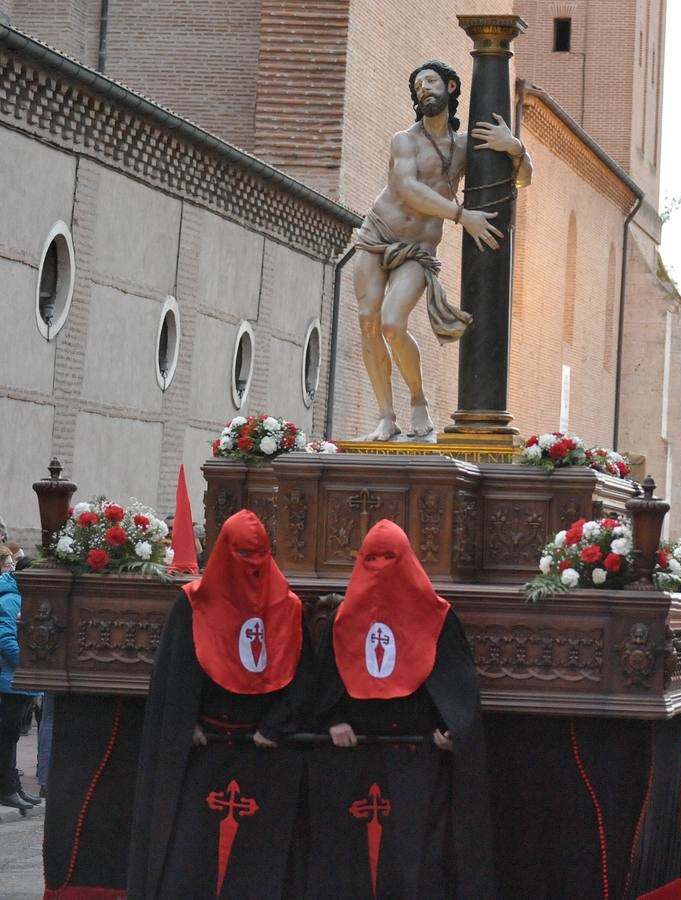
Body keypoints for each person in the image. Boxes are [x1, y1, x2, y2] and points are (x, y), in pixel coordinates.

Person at [127, 510, 315, 899]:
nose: (253, 564)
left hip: (264, 753)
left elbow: (305, 677)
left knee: (258, 866)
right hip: (204, 752)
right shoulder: (194, 604)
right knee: (192, 861)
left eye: (259, 553)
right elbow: (175, 674)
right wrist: (186, 722)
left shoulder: (288, 607)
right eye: (242, 554)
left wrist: (275, 725)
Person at [306, 519, 494, 898]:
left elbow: (456, 681)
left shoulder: (437, 615)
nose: (380, 567)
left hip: (417, 754)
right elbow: (325, 679)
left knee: (416, 858)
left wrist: (452, 728)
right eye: (371, 558)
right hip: (357, 754)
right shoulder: (342, 620)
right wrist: (333, 719)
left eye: (389, 558)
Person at [354, 59, 533, 442]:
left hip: (418, 248)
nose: (423, 88)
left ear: (451, 88)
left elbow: (520, 180)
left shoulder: (467, 146)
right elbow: (406, 189)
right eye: (417, 84)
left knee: (391, 322)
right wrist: (460, 214)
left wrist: (515, 148)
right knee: (368, 322)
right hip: (377, 235)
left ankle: (418, 403)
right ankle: (386, 415)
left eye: (431, 81)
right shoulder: (404, 140)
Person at [1, 544, 40, 810]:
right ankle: (6, 788)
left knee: (12, 736)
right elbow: (5, 640)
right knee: (6, 737)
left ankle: (12, 786)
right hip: (11, 679)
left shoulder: (25, 598)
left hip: (21, 680)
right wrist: (28, 666)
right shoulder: (10, 600)